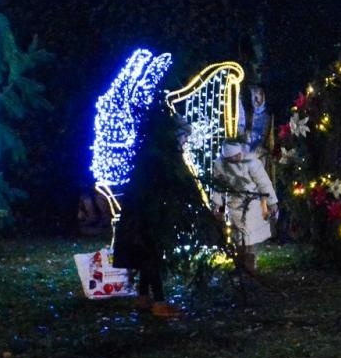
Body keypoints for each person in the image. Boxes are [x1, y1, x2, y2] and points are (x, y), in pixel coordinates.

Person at [110, 94, 204, 318]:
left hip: (141, 212)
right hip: (147, 214)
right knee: (151, 254)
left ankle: (143, 297)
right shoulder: (161, 157)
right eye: (183, 137)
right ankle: (159, 302)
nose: (185, 142)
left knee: (146, 254)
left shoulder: (152, 153)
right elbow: (168, 183)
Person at [213, 84, 279, 275]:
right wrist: (217, 204)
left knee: (250, 234)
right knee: (238, 234)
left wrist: (273, 201)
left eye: (259, 95)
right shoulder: (222, 165)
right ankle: (242, 264)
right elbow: (218, 186)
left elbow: (263, 181)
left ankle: (250, 264)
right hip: (235, 202)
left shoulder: (251, 161)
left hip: (251, 198)